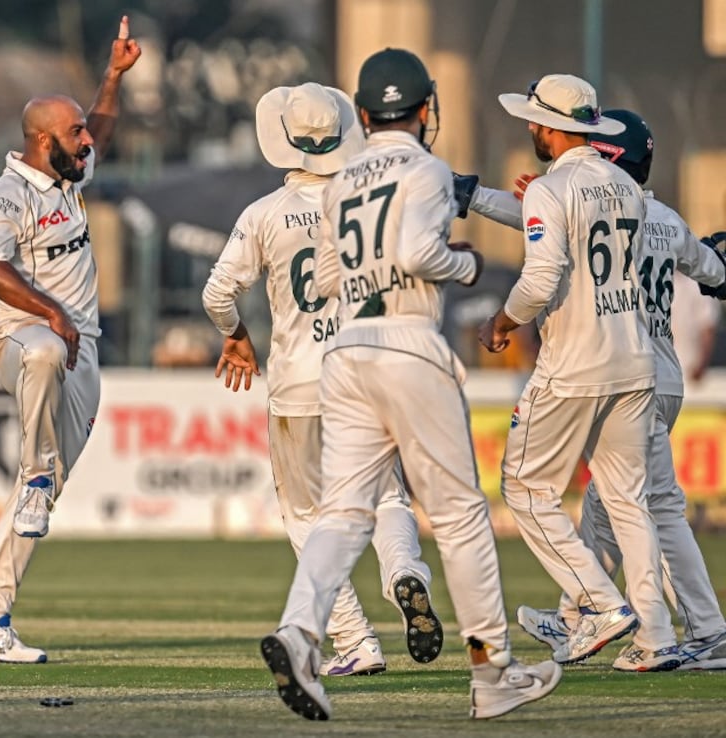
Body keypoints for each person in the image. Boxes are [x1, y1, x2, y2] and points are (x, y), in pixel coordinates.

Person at [260, 48, 559, 722]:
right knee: (458, 515)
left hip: (347, 352)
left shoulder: (341, 181)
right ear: (426, 110)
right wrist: (466, 265)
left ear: (363, 116)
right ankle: (492, 675)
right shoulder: (425, 169)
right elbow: (420, 254)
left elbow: (332, 280)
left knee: (342, 514)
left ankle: (300, 634)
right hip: (407, 343)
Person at [465, 110, 726, 670]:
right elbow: (711, 268)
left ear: (608, 153)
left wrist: (492, 197)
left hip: (609, 368)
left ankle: (677, 624)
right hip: (657, 372)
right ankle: (590, 618)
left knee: (636, 505)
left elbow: (540, 239)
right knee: (623, 507)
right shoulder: (653, 211)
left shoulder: (587, 197)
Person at [201, 82, 441, 677]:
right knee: (386, 498)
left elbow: (217, 294)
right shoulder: (375, 203)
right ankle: (405, 574)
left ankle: (356, 641)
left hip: (301, 383)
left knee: (308, 517)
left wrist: (235, 336)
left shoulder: (264, 214)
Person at [0, 16, 140, 664]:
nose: (87, 140)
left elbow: (106, 127)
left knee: (38, 505)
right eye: (74, 133)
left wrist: (114, 75)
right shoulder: (7, 196)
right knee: (44, 350)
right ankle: (33, 473)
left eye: (83, 131)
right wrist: (51, 311)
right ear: (41, 143)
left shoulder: (69, 175)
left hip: (80, 354)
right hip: (22, 343)